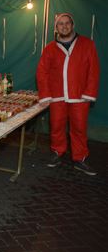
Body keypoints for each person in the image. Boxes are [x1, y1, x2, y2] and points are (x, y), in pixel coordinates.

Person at [36, 12, 100, 176]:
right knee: (56, 126)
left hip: (79, 96)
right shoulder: (50, 48)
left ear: (72, 25)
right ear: (56, 28)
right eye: (60, 24)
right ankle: (57, 152)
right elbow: (42, 72)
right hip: (57, 96)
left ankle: (80, 158)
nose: (64, 26)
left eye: (67, 23)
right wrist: (45, 94)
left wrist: (89, 92)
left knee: (79, 128)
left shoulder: (87, 44)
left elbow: (93, 70)